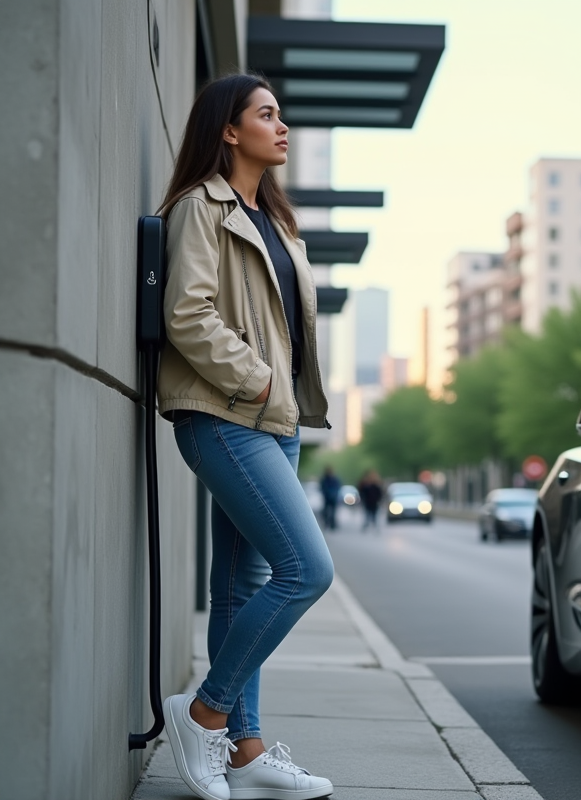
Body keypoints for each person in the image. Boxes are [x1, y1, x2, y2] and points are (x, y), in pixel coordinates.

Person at [156, 73, 334, 800]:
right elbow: (187, 314)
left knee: (241, 585)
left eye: (281, 115)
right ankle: (203, 714)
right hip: (225, 416)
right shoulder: (201, 209)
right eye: (266, 115)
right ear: (230, 131)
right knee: (306, 570)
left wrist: (280, 396)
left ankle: (245, 749)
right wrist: (259, 380)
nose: (281, 126)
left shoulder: (277, 222)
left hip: (273, 424)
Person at [319, 465, 341, 530]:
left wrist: (334, 494)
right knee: (326, 511)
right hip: (327, 497)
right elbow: (323, 488)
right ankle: (327, 523)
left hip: (333, 497)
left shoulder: (335, 479)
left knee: (333, 512)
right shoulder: (325, 479)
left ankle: (332, 524)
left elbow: (337, 487)